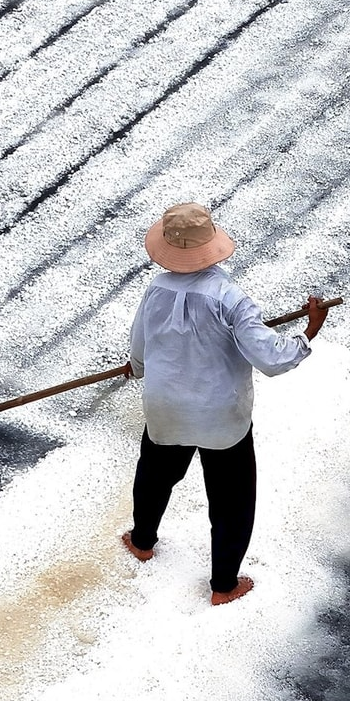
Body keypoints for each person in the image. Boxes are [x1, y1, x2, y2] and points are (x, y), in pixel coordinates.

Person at [120, 202, 325, 605]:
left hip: (165, 408)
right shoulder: (231, 300)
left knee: (155, 476)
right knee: (231, 501)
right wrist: (308, 332)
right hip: (220, 416)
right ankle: (223, 586)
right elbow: (270, 357)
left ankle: (142, 542)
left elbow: (139, 349)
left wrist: (138, 368)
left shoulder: (156, 289)